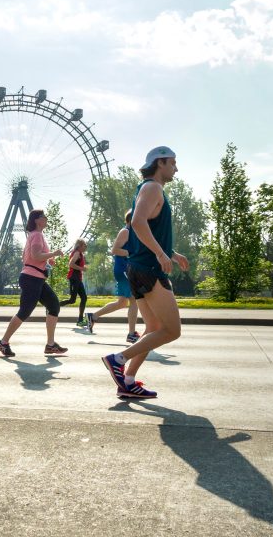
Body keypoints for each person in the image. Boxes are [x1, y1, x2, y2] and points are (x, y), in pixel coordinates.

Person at [101, 147, 189, 399]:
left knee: (153, 327)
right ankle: (118, 359)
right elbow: (138, 222)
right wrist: (161, 255)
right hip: (149, 269)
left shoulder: (148, 189)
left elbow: (146, 230)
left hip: (139, 268)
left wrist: (170, 252)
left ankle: (127, 381)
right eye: (173, 162)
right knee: (171, 330)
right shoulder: (152, 188)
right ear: (160, 162)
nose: (176, 168)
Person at [0, 208, 66, 358]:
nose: (46, 218)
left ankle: (50, 344)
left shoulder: (34, 235)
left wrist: (47, 260)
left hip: (36, 278)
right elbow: (35, 255)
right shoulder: (37, 235)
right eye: (43, 216)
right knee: (25, 311)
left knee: (54, 305)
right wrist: (54, 253)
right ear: (37, 220)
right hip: (31, 278)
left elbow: (28, 257)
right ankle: (3, 342)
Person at [86, 210, 141, 343]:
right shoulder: (125, 232)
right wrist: (131, 253)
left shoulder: (132, 233)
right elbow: (115, 250)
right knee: (134, 300)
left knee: (122, 303)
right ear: (131, 220)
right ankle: (131, 333)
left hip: (126, 270)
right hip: (123, 270)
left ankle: (93, 316)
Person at [59, 239, 88, 327]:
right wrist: (82, 268)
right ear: (79, 246)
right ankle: (53, 306)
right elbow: (71, 264)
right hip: (74, 278)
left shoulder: (80, 254)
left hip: (77, 278)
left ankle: (80, 320)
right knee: (72, 300)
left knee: (84, 297)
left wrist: (81, 268)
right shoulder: (77, 253)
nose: (85, 247)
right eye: (84, 245)